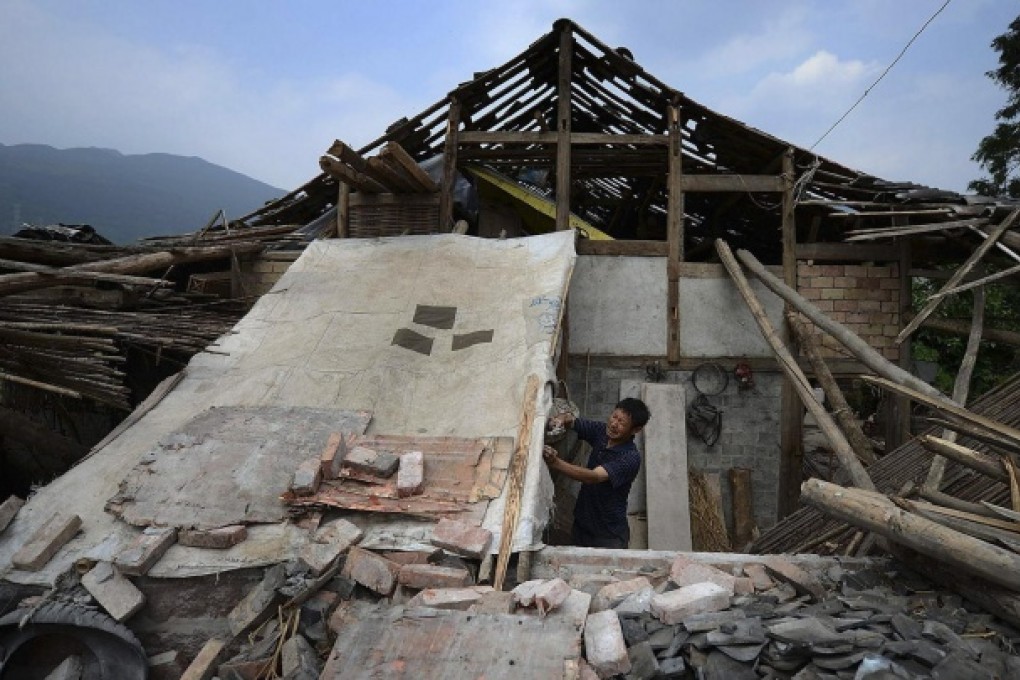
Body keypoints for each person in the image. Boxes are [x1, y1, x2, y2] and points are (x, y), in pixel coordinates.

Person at [543, 398, 651, 549]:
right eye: (614, 417)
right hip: (581, 524)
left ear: (635, 430)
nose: (614, 424)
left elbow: (594, 477)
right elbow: (573, 421)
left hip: (608, 535)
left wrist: (555, 462)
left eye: (622, 423)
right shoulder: (602, 432)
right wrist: (560, 419)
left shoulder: (630, 458)